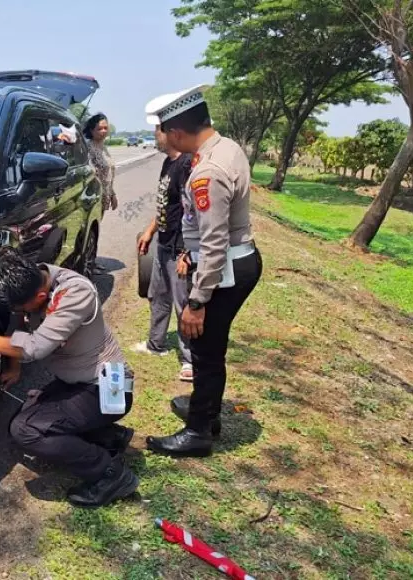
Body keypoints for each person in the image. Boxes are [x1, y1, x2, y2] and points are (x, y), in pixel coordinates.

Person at [0, 247, 138, 508]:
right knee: (26, 415)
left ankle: (109, 473)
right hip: (81, 382)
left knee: (27, 430)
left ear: (41, 295)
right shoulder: (35, 277)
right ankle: (108, 438)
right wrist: (14, 366)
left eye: (20, 306)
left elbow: (34, 347)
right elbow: (21, 322)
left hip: (108, 389)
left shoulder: (74, 294)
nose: (17, 311)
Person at [142, 86, 263, 458]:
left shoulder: (207, 171)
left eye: (164, 132)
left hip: (225, 266)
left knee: (206, 348)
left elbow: (214, 242)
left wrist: (196, 300)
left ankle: (198, 432)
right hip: (235, 261)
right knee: (211, 346)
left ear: (176, 132)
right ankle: (206, 414)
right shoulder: (224, 147)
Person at [133, 123, 194, 382]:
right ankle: (155, 343)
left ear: (171, 133)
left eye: (157, 131)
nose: (154, 136)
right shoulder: (168, 163)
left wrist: (188, 251)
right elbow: (164, 207)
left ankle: (189, 359)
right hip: (163, 242)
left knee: (183, 304)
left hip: (179, 247)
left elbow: (193, 213)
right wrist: (150, 231)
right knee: (157, 296)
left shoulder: (186, 165)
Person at [83, 113, 118, 214]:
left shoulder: (104, 148)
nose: (103, 131)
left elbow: (109, 174)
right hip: (93, 197)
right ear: (91, 130)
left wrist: (112, 194)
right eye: (99, 129)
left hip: (104, 196)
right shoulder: (88, 148)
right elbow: (89, 172)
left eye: (105, 128)